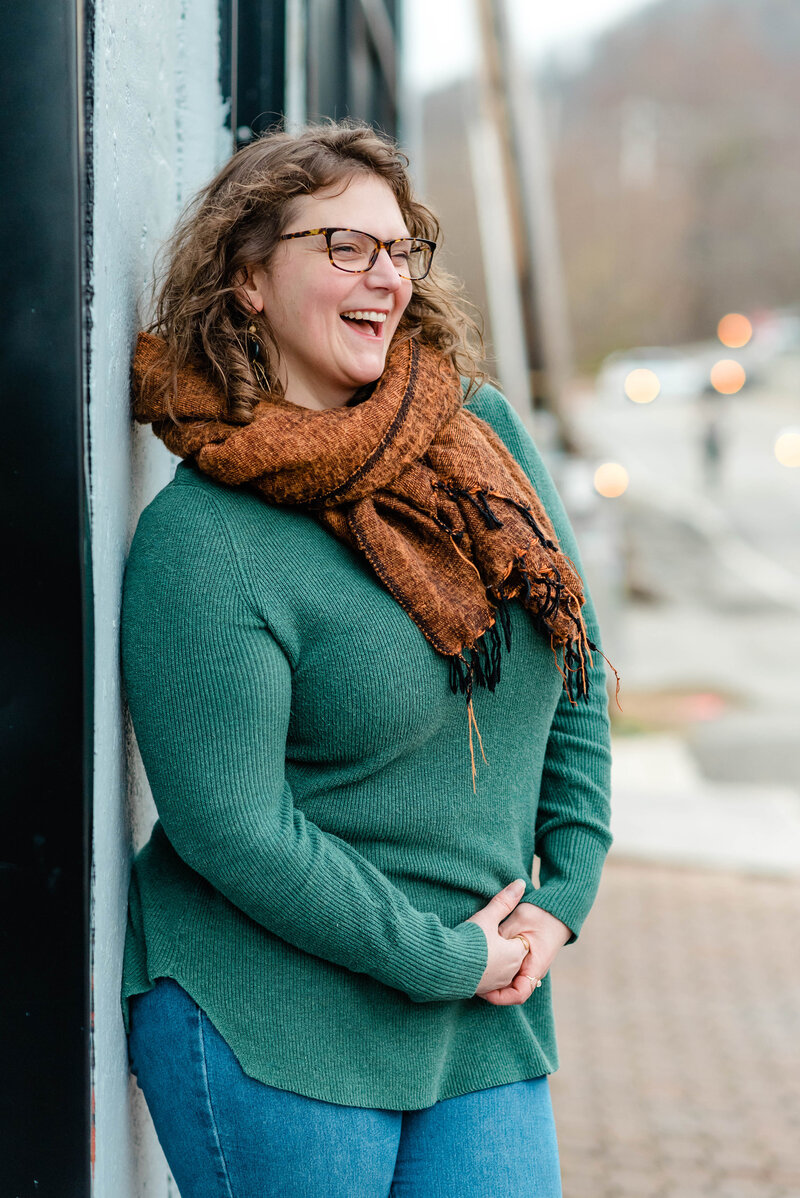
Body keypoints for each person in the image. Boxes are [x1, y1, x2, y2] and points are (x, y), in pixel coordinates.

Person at [121, 120, 614, 1198]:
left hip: (481, 1013)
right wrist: (445, 956)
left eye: (398, 249)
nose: (383, 276)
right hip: (275, 1016)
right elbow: (232, 827)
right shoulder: (204, 539)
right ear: (248, 275)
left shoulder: (475, 438)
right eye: (344, 246)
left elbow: (572, 661)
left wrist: (561, 890)